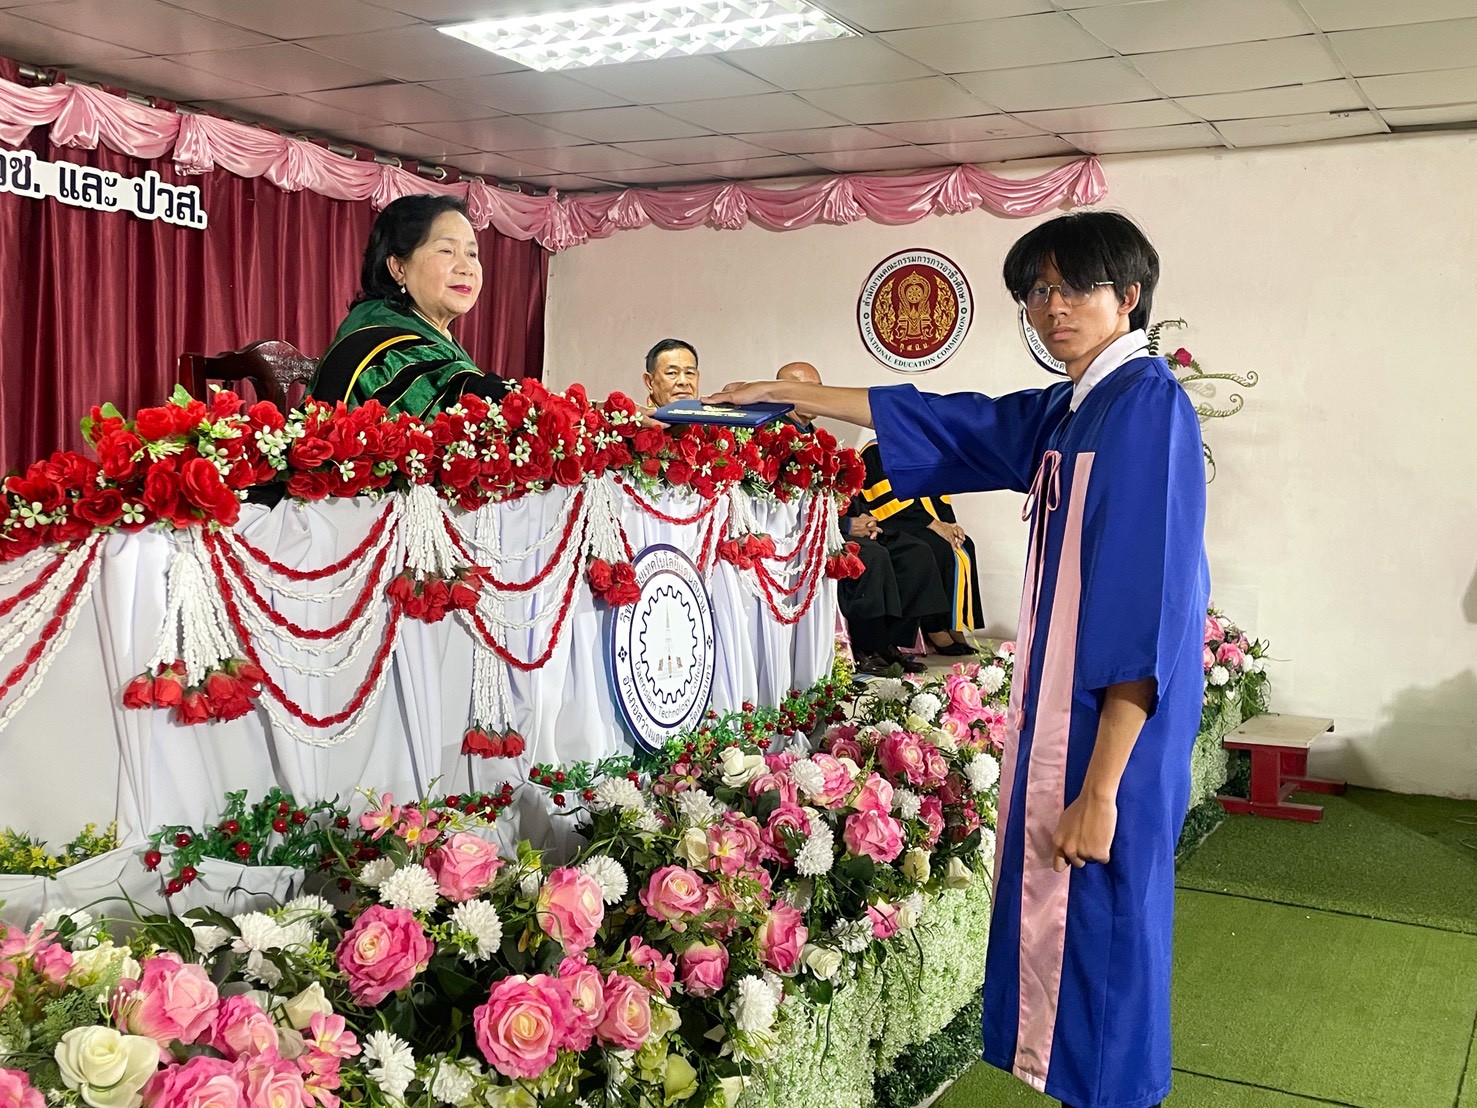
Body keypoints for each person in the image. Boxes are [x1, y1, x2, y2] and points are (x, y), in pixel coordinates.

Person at [708, 210, 1209, 1108]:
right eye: (1037, 293)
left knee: (1106, 936)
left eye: (1075, 287)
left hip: (1110, 738)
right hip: (1069, 720)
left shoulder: (1145, 409)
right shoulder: (1075, 404)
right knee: (1071, 937)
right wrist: (795, 396)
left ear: (1129, 296)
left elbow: (1146, 607)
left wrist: (1101, 789)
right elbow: (954, 421)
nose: (1052, 308)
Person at [776, 362, 942, 676]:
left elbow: (842, 491)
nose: (816, 396)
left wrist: (864, 519)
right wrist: (847, 526)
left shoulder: (818, 438)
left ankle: (890, 643)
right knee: (871, 556)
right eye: (804, 390)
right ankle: (868, 647)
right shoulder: (776, 439)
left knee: (915, 552)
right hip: (808, 535)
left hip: (840, 524)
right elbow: (787, 507)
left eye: (818, 389)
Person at [309, 194, 512, 418]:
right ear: (398, 268)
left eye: (472, 254)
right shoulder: (380, 339)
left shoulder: (434, 335)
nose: (467, 268)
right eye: (446, 250)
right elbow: (428, 393)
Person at [855, 438, 983, 656]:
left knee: (964, 544)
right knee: (936, 547)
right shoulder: (875, 450)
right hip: (895, 523)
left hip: (923, 521)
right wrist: (933, 525)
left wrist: (950, 524)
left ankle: (954, 623)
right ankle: (934, 626)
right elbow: (887, 503)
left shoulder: (922, 450)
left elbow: (939, 495)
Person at [643, 338, 700, 410]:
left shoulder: (710, 416)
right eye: (672, 373)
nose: (683, 382)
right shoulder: (635, 417)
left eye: (689, 373)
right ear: (649, 382)